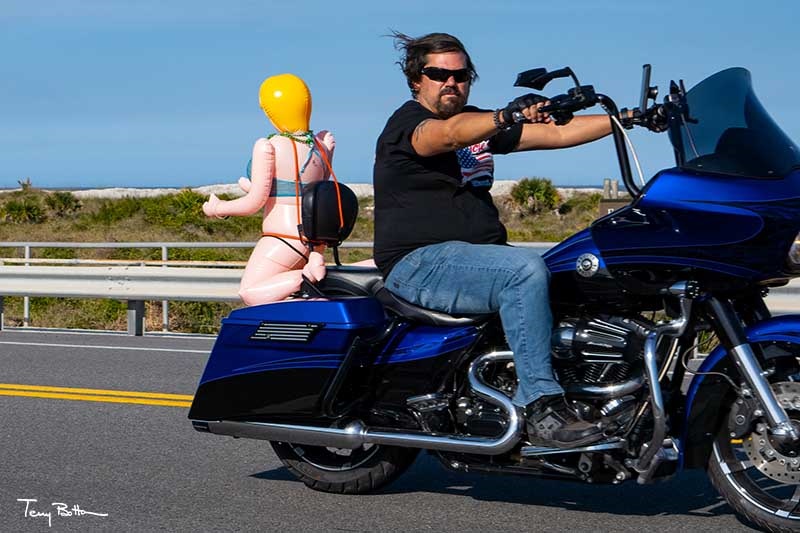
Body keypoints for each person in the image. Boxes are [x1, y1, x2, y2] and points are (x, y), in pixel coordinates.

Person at [373, 31, 622, 448]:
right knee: (523, 271)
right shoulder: (409, 123)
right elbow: (447, 135)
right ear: (417, 79)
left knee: (584, 268)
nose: (451, 82)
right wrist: (506, 115)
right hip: (418, 263)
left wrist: (626, 119)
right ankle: (540, 405)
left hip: (475, 257)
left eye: (460, 75)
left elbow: (557, 135)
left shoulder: (477, 124)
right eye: (439, 74)